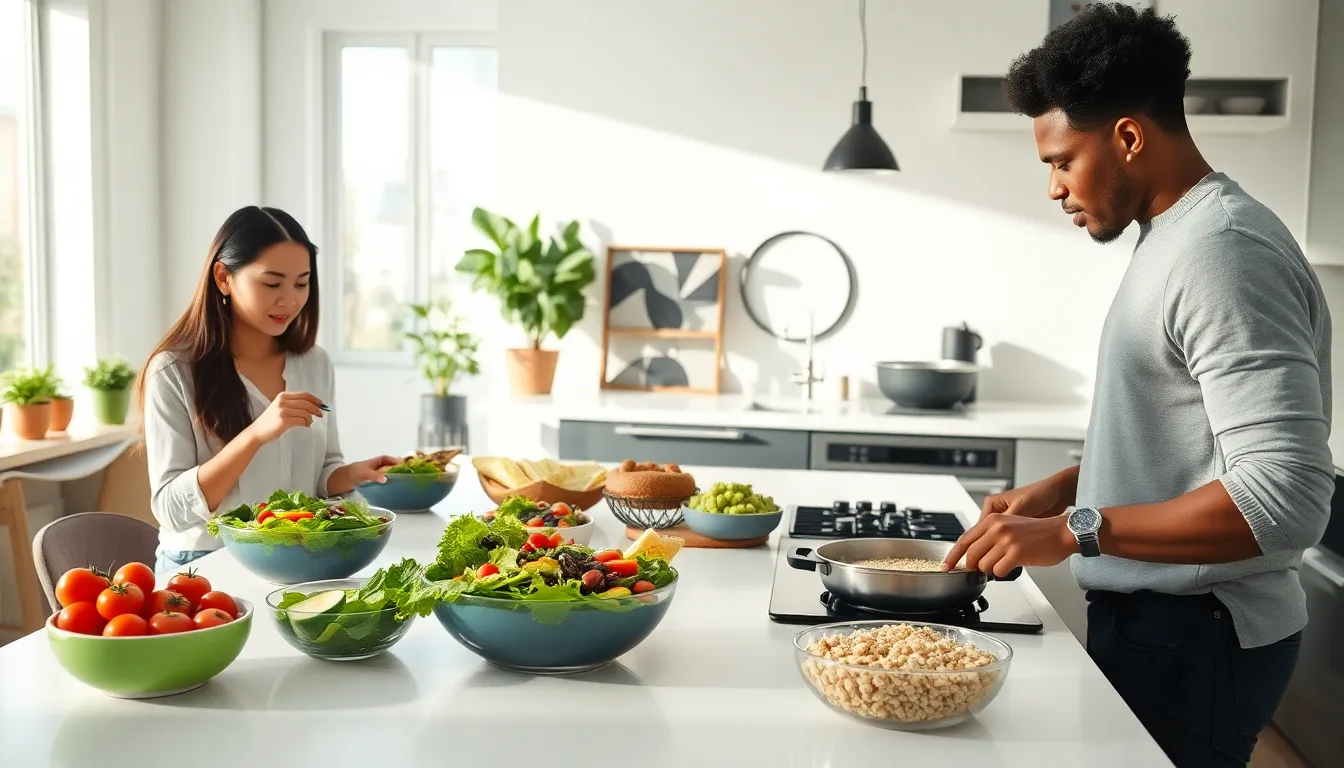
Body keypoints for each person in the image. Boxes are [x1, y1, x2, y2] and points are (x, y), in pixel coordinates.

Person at [940, 5, 1333, 767]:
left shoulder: (1223, 254)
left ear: (1128, 136)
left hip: (1201, 630)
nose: (1054, 188)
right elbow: (1195, 443)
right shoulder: (1177, 239)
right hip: (1166, 624)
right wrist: (1072, 485)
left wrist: (1076, 528)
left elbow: (1284, 498)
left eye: (1062, 161)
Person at [138, 205, 397, 574]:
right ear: (223, 278)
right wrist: (256, 434)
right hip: (202, 564)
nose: (289, 300)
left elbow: (322, 473)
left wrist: (352, 474)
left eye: (302, 283)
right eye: (272, 284)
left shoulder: (314, 363)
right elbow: (170, 510)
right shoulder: (174, 371)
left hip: (294, 557)